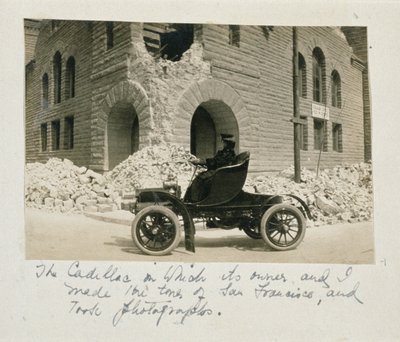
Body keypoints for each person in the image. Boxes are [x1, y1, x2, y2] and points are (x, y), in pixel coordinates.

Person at [189, 134, 237, 202]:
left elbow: (217, 162)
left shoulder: (229, 154)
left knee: (199, 179)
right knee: (200, 177)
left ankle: (195, 200)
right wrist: (202, 162)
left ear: (228, 143)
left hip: (220, 173)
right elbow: (215, 161)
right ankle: (195, 199)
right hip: (218, 171)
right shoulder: (224, 152)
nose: (223, 144)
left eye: (224, 142)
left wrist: (201, 161)